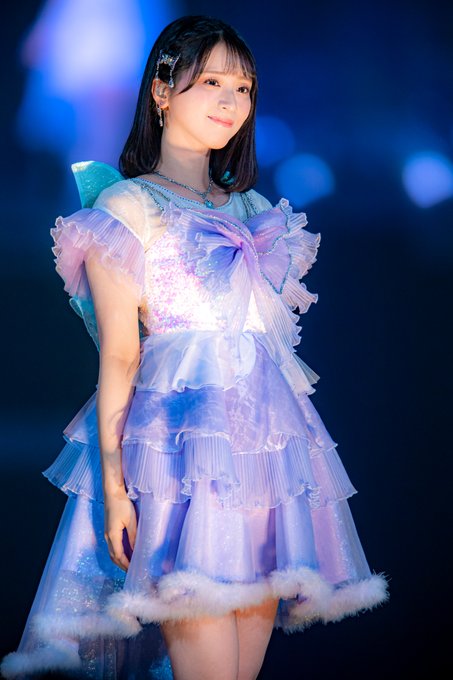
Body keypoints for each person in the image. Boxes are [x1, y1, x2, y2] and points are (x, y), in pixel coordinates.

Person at [0, 15, 389, 680]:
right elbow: (120, 356)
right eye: (211, 82)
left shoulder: (255, 208)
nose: (230, 101)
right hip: (179, 461)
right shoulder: (127, 205)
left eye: (243, 88)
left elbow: (270, 350)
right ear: (162, 90)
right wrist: (117, 492)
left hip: (262, 465)